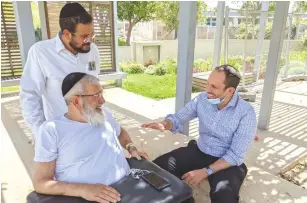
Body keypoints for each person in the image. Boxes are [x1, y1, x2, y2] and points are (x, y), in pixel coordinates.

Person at [142, 64, 257, 203]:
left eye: (214, 87)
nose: (207, 90)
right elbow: (178, 118)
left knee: (224, 196)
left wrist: (204, 172)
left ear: (230, 90)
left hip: (227, 162)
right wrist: (165, 124)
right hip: (199, 150)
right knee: (156, 169)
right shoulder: (201, 99)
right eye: (208, 84)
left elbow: (235, 155)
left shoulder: (246, 113)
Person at [33, 72, 149, 203]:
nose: (103, 101)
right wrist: (83, 189)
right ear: (76, 101)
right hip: (90, 199)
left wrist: (131, 147)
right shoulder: (52, 130)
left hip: (128, 188)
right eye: (96, 96)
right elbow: (41, 183)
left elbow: (120, 132)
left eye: (102, 94)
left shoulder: (104, 115)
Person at [19, 3, 100, 138]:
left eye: (92, 34)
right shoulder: (41, 52)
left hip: (90, 128)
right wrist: (41, 132)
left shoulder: (92, 51)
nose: (90, 40)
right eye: (84, 36)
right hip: (59, 133)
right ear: (67, 34)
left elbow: (94, 88)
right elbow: (30, 95)